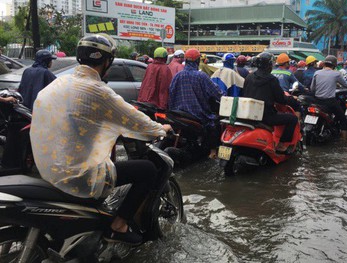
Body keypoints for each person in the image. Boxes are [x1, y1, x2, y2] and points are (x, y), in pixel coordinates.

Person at [30, 34, 172, 245]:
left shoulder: (58, 83)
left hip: (48, 167)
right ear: (107, 62)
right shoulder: (98, 91)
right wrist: (162, 129)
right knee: (148, 170)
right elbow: (136, 122)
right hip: (78, 175)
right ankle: (119, 226)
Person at [169, 48, 225, 159]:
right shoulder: (201, 76)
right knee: (214, 122)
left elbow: (171, 93)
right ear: (197, 61)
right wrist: (224, 95)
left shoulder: (178, 76)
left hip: (178, 113)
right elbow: (216, 93)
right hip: (198, 114)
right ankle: (213, 152)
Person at [242, 52, 298, 153]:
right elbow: (281, 99)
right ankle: (281, 145)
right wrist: (291, 99)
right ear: (269, 65)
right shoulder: (271, 79)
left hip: (249, 114)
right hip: (266, 116)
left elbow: (244, 93)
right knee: (293, 119)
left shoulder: (249, 77)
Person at [310, 55, 347, 140]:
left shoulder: (317, 73)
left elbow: (312, 88)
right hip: (330, 102)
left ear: (324, 64)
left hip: (317, 101)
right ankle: (344, 141)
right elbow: (345, 84)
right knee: (343, 118)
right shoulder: (336, 74)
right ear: (334, 65)